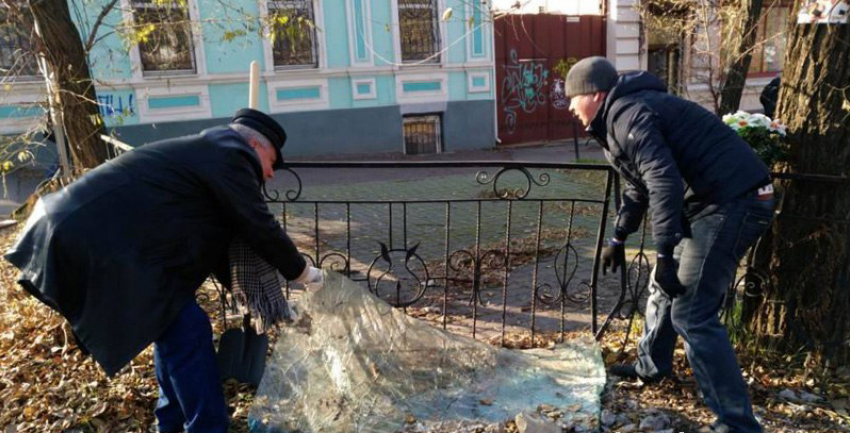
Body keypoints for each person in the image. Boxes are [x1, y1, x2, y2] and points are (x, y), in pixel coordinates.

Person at [4, 108, 323, 433]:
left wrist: (249, 296)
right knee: (188, 327)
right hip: (86, 239)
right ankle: (208, 428)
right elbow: (259, 224)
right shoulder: (230, 153)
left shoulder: (211, 154)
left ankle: (170, 425)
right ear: (256, 146)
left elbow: (213, 246)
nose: (271, 174)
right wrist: (302, 273)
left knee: (174, 324)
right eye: (273, 162)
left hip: (84, 235)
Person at [566, 57, 775, 433]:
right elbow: (638, 184)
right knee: (662, 288)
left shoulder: (629, 113)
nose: (569, 106)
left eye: (573, 97)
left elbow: (665, 183)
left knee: (692, 314)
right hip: (711, 204)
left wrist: (663, 253)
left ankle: (737, 422)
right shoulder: (619, 116)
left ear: (594, 95)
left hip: (734, 203)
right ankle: (651, 366)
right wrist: (619, 235)